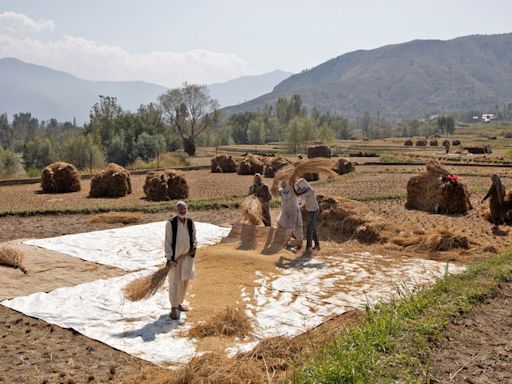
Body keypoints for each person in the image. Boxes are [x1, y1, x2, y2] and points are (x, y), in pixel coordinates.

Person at [164, 201, 197, 320]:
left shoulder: (190, 222)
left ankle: (179, 304)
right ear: (176, 210)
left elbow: (194, 237)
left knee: (184, 281)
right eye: (180, 209)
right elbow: (167, 242)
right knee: (174, 282)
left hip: (187, 258)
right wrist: (169, 258)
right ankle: (173, 309)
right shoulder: (171, 224)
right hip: (175, 260)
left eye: (184, 209)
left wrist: (194, 246)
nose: (182, 211)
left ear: (186, 209)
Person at [294, 178, 320, 253]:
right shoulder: (304, 191)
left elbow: (298, 194)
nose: (299, 188)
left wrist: (293, 188)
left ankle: (308, 247)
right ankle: (317, 245)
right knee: (312, 227)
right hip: (309, 211)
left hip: (315, 211)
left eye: (299, 186)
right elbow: (302, 200)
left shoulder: (310, 190)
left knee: (309, 228)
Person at [277, 179, 303, 249]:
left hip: (293, 211)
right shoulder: (281, 191)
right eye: (281, 183)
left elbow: (298, 192)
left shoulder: (292, 188)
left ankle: (298, 242)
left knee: (294, 227)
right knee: (281, 224)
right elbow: (275, 193)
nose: (282, 184)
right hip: (285, 211)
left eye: (283, 183)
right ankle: (288, 242)